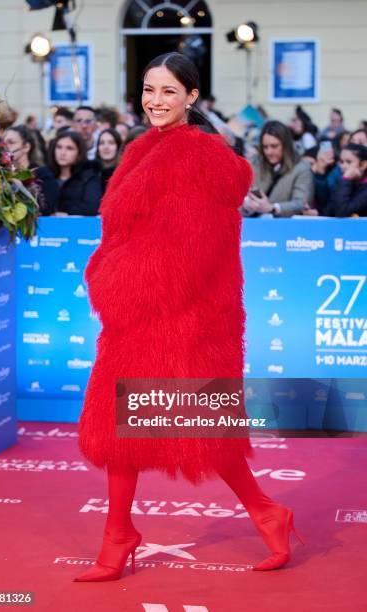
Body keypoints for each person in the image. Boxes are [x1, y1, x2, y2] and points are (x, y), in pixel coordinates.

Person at [75, 52, 304, 583]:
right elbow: (128, 236)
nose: (155, 101)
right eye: (149, 90)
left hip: (183, 318)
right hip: (141, 317)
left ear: (192, 98)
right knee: (120, 428)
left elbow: (187, 253)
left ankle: (267, 511)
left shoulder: (199, 158)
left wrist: (113, 282)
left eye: (169, 92)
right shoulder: (143, 150)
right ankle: (117, 535)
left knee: (204, 431)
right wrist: (110, 273)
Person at [242, 120, 314, 217]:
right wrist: (246, 205)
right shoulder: (253, 163)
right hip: (253, 225)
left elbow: (301, 203)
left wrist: (272, 208)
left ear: (285, 145)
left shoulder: (302, 168)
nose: (269, 152)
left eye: (274, 146)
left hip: (284, 227)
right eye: (265, 147)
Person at [3, 124, 57, 215]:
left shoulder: (43, 174)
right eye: (3, 143)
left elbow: (46, 208)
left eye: (11, 142)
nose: (5, 147)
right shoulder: (0, 173)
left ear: (26, 147)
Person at [48, 130, 102, 216]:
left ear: (79, 153)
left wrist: (64, 210)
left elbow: (92, 207)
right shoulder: (46, 175)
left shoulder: (89, 177)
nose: (63, 153)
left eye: (69, 148)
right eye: (59, 147)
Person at [328, 143, 367, 216]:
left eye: (348, 162)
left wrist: (345, 180)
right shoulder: (344, 181)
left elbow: (342, 211)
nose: (343, 166)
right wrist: (316, 213)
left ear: (363, 165)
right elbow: (330, 210)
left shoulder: (345, 180)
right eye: (341, 162)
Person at [95, 128, 122, 194]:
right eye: (102, 143)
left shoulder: (125, 175)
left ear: (118, 147)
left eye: (111, 143)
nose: (106, 147)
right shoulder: (90, 172)